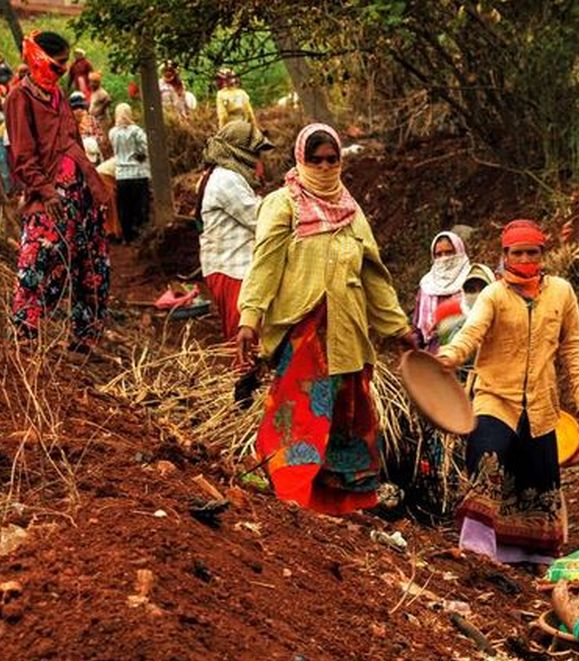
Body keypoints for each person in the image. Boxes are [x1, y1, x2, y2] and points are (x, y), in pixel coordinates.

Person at [235, 123, 417, 514]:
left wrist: (398, 328)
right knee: (301, 413)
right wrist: (250, 317)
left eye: (331, 160)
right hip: (305, 329)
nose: (323, 167)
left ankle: (339, 505)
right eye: (315, 160)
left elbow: (374, 276)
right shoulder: (283, 204)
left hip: (348, 334)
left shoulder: (352, 212)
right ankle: (290, 496)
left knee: (346, 417)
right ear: (300, 160)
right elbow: (265, 264)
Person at [438, 219, 579, 566]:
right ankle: (477, 550)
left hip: (541, 399)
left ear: (543, 254)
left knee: (536, 473)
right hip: (495, 395)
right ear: (505, 255)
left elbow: (574, 347)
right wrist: (449, 357)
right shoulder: (494, 294)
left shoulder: (561, 293)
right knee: (487, 457)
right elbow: (471, 332)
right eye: (517, 252)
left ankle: (529, 554)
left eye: (532, 252)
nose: (525, 259)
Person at [5, 30, 112, 352]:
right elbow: (22, 157)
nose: (64, 70)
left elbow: (74, 144)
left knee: (93, 267)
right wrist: (47, 192)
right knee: (37, 263)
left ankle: (84, 341)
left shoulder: (58, 97)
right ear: (39, 59)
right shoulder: (19, 98)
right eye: (59, 63)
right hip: (51, 196)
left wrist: (94, 190)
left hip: (82, 193)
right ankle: (25, 336)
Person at [199, 120, 274, 341]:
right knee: (244, 337)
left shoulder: (229, 176)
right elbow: (260, 218)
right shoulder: (226, 180)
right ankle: (242, 374)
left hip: (235, 267)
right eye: (257, 153)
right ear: (241, 151)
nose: (259, 160)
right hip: (232, 268)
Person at [413, 231, 474, 351]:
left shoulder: (472, 279)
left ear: (459, 251)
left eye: (449, 252)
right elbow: (417, 328)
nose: (444, 258)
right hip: (433, 355)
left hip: (467, 352)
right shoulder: (427, 285)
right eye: (439, 254)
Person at [108, 103, 151, 242]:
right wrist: (140, 155)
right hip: (138, 173)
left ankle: (127, 237)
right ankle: (141, 237)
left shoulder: (112, 133)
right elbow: (146, 147)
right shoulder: (136, 131)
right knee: (140, 207)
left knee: (125, 209)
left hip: (121, 175)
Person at [70, 92, 101, 164]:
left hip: (92, 156)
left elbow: (99, 137)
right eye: (75, 108)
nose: (78, 110)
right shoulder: (68, 122)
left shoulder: (91, 120)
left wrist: (91, 142)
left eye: (80, 107)